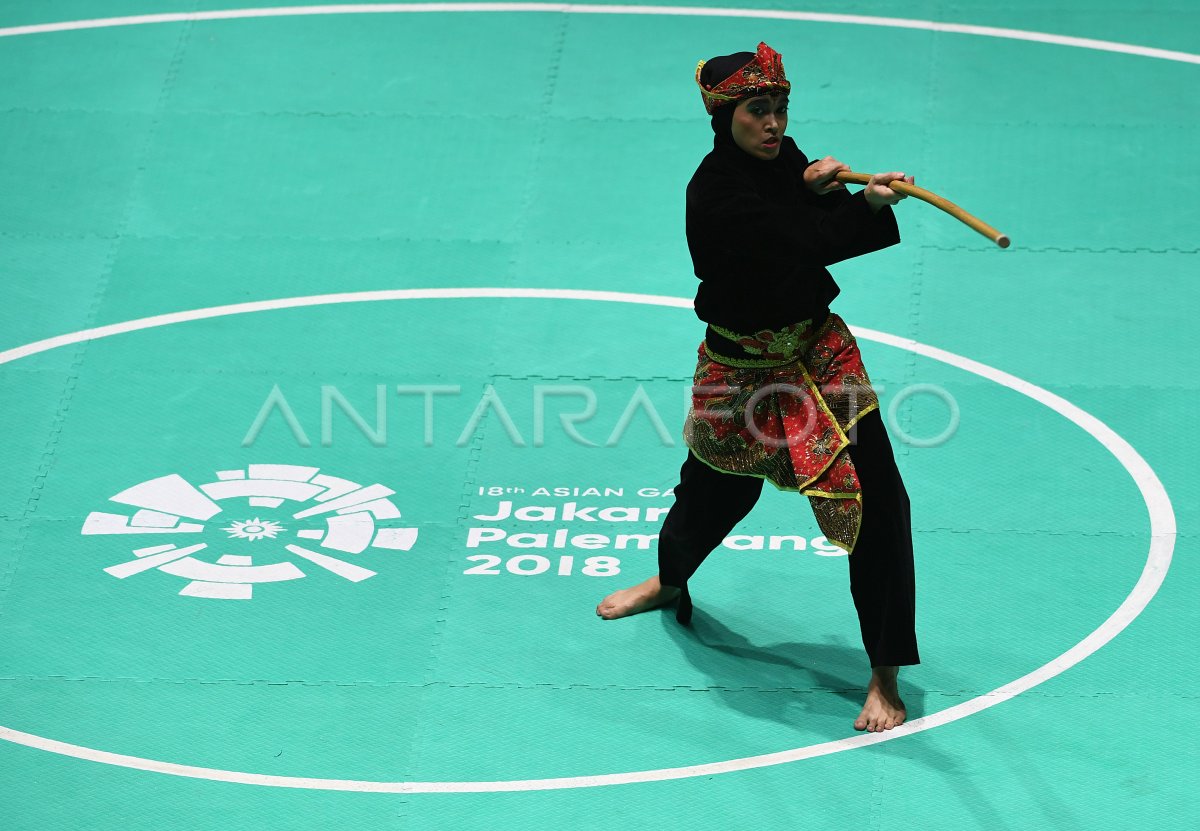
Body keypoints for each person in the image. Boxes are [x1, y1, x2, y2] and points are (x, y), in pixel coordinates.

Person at [596, 42, 919, 733]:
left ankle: (885, 670)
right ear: (724, 117)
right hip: (739, 366)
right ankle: (670, 579)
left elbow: (792, 200)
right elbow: (802, 240)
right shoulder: (714, 196)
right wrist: (861, 204)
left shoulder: (780, 157)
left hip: (817, 353)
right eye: (757, 112)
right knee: (712, 486)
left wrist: (812, 179)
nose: (773, 125)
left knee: (879, 495)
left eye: (779, 108)